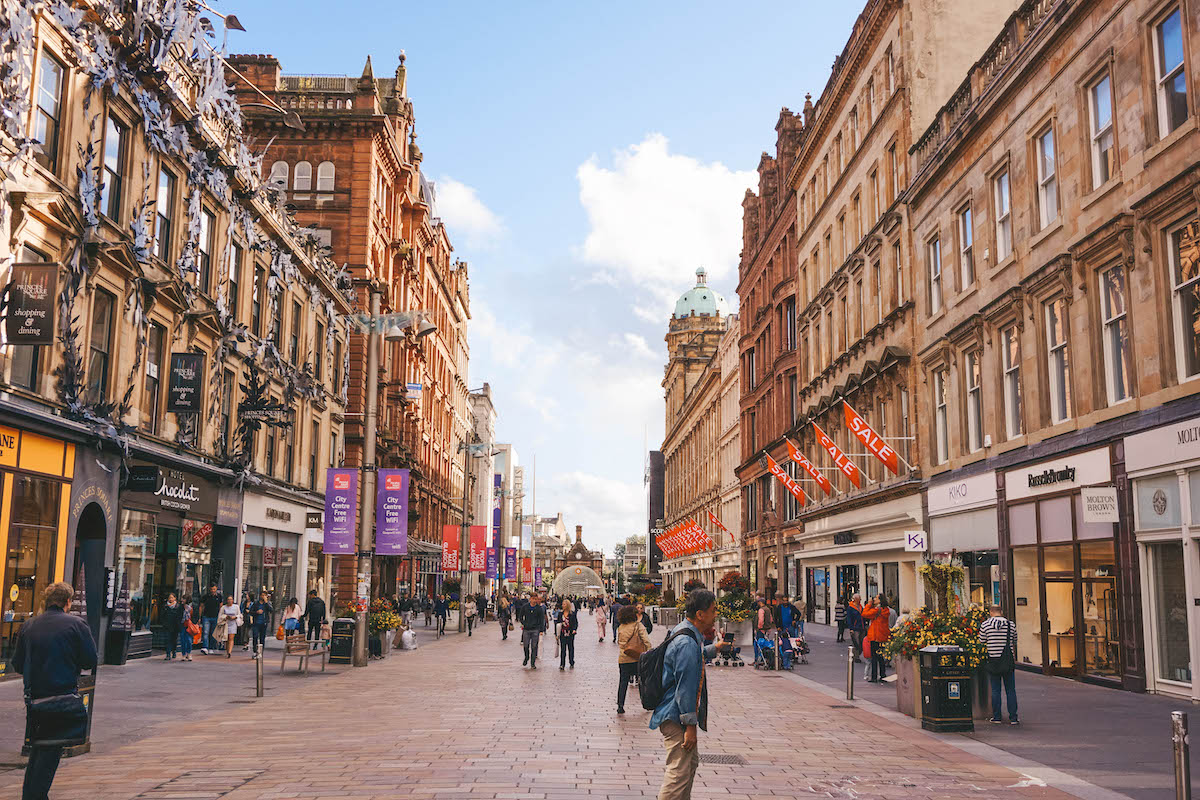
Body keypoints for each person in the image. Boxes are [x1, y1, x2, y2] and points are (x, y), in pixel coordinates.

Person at [15, 582, 97, 800]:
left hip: (35, 698)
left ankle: (32, 795)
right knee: (49, 753)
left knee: (39, 749)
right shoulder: (77, 625)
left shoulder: (29, 625)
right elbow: (90, 660)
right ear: (68, 602)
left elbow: (17, 663)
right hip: (62, 696)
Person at [650, 589, 719, 800]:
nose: (716, 614)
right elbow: (685, 687)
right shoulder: (687, 642)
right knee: (678, 774)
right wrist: (690, 726)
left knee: (688, 767)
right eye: (713, 610)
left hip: (672, 712)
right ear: (700, 614)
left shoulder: (683, 631)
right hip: (676, 715)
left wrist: (714, 649)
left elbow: (688, 659)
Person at [979, 604, 1019, 725]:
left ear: (991, 612)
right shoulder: (1010, 624)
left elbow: (981, 640)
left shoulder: (985, 625)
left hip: (993, 660)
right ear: (1001, 612)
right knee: (1010, 690)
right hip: (1007, 660)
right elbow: (1015, 640)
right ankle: (1013, 718)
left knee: (996, 690)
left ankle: (997, 717)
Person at [616, 604, 651, 714]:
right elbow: (646, 640)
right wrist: (649, 652)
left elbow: (620, 643)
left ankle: (620, 705)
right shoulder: (638, 625)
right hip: (637, 658)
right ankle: (646, 703)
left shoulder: (621, 627)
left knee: (623, 682)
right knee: (642, 680)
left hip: (623, 658)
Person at [861, 595, 891, 683]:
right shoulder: (885, 610)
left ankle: (874, 677)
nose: (874, 599)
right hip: (882, 636)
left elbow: (864, 614)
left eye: (877, 598)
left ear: (880, 600)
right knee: (880, 656)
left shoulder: (877, 610)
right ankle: (882, 675)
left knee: (874, 656)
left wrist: (869, 604)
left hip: (875, 636)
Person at [519, 593, 546, 669]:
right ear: (530, 599)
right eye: (533, 598)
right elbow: (520, 616)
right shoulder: (525, 607)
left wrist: (541, 630)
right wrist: (523, 623)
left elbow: (541, 619)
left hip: (535, 629)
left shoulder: (539, 608)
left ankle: (532, 663)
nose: (534, 600)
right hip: (526, 629)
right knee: (526, 645)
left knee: (534, 646)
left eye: (535, 599)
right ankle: (526, 657)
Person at [248, 590, 273, 658]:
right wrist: (256, 612)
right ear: (260, 596)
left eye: (265, 595)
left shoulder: (267, 603)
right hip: (256, 623)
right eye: (262, 595)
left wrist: (266, 602)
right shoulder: (256, 603)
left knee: (262, 638)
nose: (263, 597)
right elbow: (250, 612)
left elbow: (271, 610)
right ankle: (255, 651)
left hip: (264, 623)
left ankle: (261, 652)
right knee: (255, 636)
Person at [161, 592, 183, 661]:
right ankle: (168, 654)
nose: (170, 599)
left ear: (175, 598)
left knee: (174, 640)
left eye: (172, 597)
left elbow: (180, 616)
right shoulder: (165, 606)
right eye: (169, 597)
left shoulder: (178, 606)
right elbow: (162, 615)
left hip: (175, 626)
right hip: (167, 625)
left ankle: (174, 651)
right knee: (168, 640)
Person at [200, 584, 222, 654]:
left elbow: (221, 607)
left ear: (216, 589)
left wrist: (220, 616)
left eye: (214, 589)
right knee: (206, 632)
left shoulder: (219, 597)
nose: (212, 590)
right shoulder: (206, 597)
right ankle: (205, 647)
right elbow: (201, 606)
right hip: (206, 616)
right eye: (212, 589)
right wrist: (200, 616)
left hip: (215, 616)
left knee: (213, 633)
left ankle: (211, 647)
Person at [845, 593, 865, 663]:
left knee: (862, 643)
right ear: (856, 599)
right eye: (859, 599)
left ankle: (856, 654)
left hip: (861, 627)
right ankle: (856, 656)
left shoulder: (860, 607)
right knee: (856, 642)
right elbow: (849, 618)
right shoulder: (850, 608)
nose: (860, 600)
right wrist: (851, 628)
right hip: (855, 627)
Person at [559, 599, 578, 669]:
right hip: (562, 633)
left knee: (570, 648)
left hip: (570, 633)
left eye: (564, 604)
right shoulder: (560, 614)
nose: (563, 605)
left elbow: (575, 623)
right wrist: (556, 633)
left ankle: (571, 661)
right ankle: (562, 664)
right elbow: (557, 623)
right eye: (562, 604)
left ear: (568, 605)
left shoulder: (572, 614)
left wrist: (574, 629)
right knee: (563, 649)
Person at [179, 595, 195, 662]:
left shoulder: (191, 608)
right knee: (183, 640)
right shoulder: (180, 607)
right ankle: (183, 654)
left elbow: (194, 616)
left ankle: (189, 653)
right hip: (182, 625)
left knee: (188, 640)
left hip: (189, 625)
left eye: (184, 599)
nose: (182, 600)